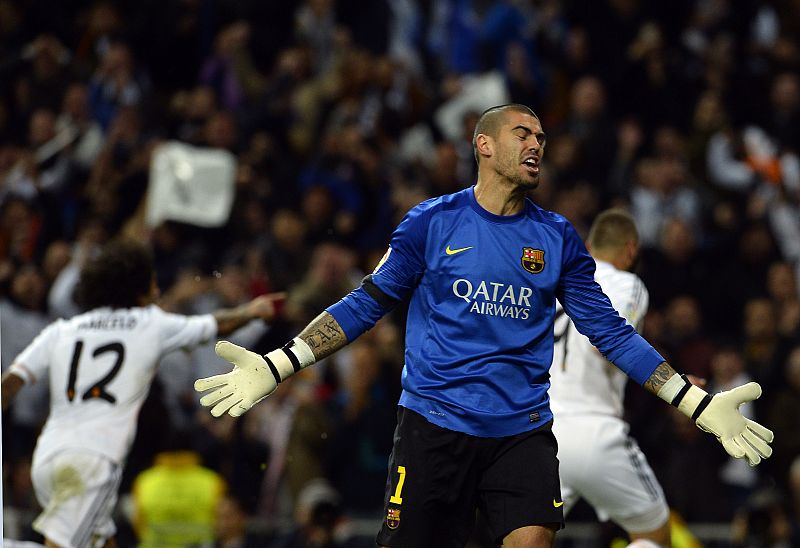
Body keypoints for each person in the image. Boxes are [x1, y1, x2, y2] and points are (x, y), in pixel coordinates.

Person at [194, 104, 774, 548]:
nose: (537, 145)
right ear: (484, 145)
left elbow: (612, 334)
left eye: (542, 138)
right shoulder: (431, 223)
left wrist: (696, 404)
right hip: (433, 427)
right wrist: (281, 362)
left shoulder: (558, 240)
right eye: (524, 134)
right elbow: (366, 302)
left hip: (521, 433)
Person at [1, 238, 283, 548]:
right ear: (135, 285)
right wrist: (253, 310)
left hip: (48, 458)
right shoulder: (149, 323)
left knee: (103, 542)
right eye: (152, 281)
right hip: (92, 461)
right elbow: (217, 324)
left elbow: (11, 382)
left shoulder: (63, 329)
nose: (158, 289)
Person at [548, 208, 670, 546]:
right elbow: (612, 341)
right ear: (631, 250)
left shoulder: (559, 277)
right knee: (655, 533)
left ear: (588, 245)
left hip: (541, 431)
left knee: (526, 540)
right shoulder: (626, 283)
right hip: (595, 429)